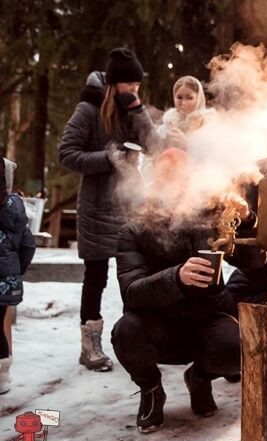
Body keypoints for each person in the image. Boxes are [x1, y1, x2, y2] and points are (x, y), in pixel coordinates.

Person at [110, 148, 257, 433]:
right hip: (156, 324)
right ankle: (151, 389)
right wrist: (177, 277)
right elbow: (132, 291)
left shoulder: (211, 218)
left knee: (240, 345)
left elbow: (253, 264)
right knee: (126, 333)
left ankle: (200, 378)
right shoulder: (134, 229)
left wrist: (246, 219)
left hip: (207, 317)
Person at [59, 47, 160, 372]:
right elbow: (67, 153)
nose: (134, 90)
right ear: (113, 83)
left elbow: (155, 146)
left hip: (131, 206)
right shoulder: (88, 111)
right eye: (129, 84)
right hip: (97, 209)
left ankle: (139, 340)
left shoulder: (130, 109)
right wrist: (108, 158)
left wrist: (139, 110)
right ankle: (90, 347)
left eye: (137, 85)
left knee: (137, 275)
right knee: (96, 278)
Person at [0, 158, 36, 394]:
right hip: (6, 283)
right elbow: (28, 245)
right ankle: (2, 377)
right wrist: (15, 271)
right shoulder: (14, 209)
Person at [158, 75, 215, 149]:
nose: (183, 102)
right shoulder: (168, 124)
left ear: (198, 98)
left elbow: (214, 155)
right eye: (179, 97)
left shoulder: (208, 124)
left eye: (189, 98)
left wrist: (187, 145)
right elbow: (151, 153)